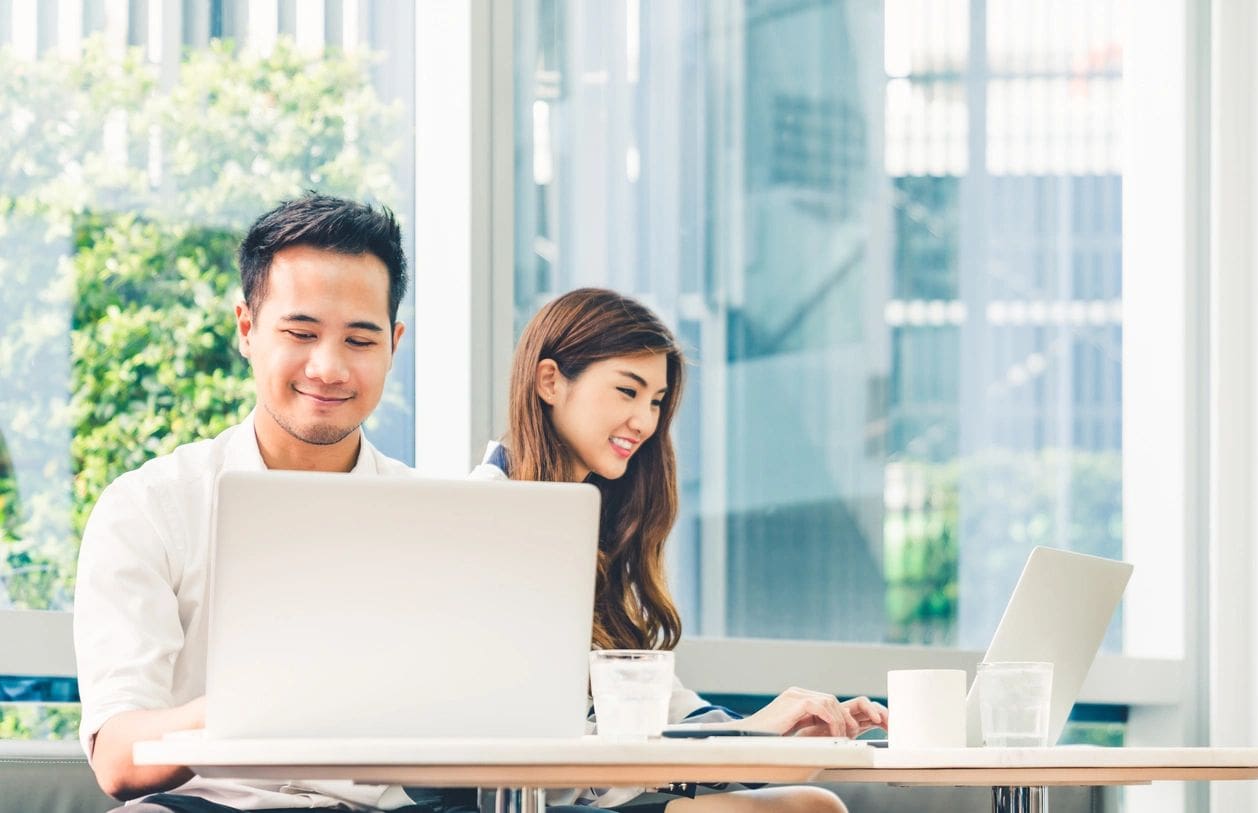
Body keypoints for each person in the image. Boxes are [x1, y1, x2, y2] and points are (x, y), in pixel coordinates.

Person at [73, 194, 459, 812]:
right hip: (209, 804)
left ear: (394, 343)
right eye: (301, 333)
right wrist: (265, 702)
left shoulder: (438, 520)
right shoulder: (150, 507)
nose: (328, 368)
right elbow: (118, 757)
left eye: (360, 340)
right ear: (247, 328)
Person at [471, 288, 887, 813]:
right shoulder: (484, 520)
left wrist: (768, 733)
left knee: (810, 803)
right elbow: (532, 748)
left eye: (657, 401)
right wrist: (741, 744)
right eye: (628, 391)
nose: (645, 422)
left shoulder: (597, 534)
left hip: (587, 794)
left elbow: (666, 708)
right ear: (550, 381)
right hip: (523, 799)